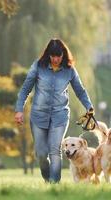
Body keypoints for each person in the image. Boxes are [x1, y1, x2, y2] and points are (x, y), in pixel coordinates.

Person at [14, 38, 94, 183]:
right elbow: (25, 89)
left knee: (55, 150)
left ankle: (55, 185)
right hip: (38, 116)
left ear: (63, 55)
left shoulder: (69, 70)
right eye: (53, 56)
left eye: (59, 56)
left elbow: (80, 91)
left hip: (60, 116)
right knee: (41, 153)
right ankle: (48, 178)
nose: (56, 59)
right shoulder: (38, 66)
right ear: (48, 55)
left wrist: (89, 107)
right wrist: (19, 109)